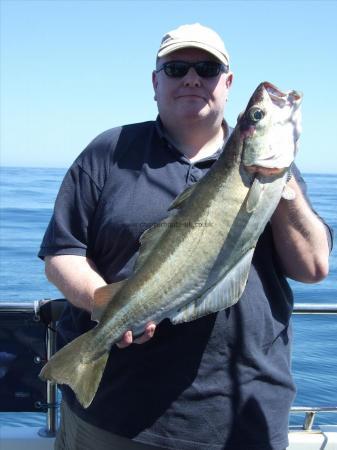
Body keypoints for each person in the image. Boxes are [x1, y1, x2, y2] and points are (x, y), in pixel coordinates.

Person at [39, 23, 332, 450]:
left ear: (227, 84)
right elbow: (62, 253)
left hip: (240, 420)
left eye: (208, 69)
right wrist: (104, 301)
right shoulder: (108, 151)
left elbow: (313, 268)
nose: (192, 78)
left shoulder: (277, 182)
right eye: (176, 68)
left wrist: (280, 180)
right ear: (155, 82)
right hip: (113, 417)